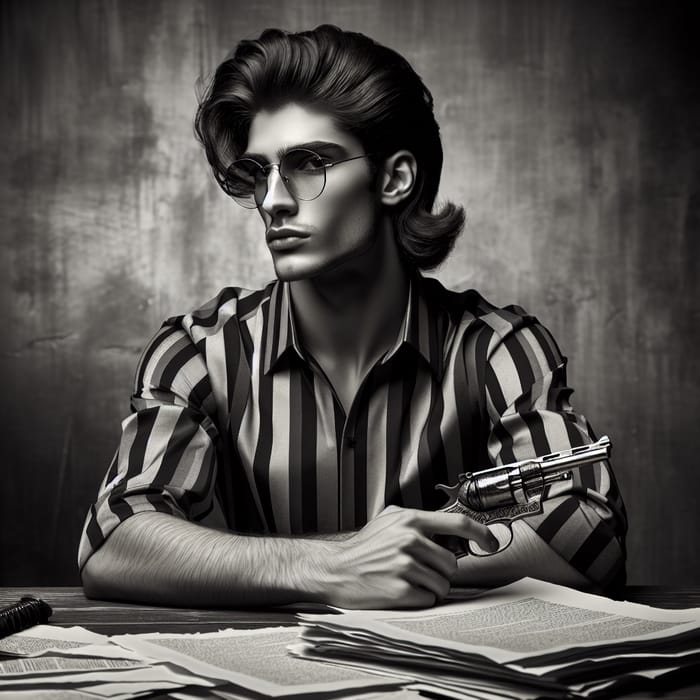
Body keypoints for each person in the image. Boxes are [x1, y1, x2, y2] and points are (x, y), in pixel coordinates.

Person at [79, 25, 627, 609]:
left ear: (394, 179)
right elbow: (115, 540)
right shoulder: (197, 351)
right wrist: (335, 564)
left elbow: (588, 530)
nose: (272, 200)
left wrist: (399, 561)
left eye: (308, 163)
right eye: (257, 173)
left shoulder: (499, 348)